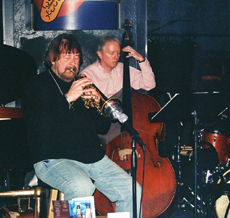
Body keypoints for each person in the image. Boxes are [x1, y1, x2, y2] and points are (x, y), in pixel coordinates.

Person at [21, 34, 142, 218]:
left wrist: (96, 105)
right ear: (53, 59)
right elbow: (39, 127)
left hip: (91, 158)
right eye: (67, 56)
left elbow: (102, 127)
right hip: (52, 158)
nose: (73, 62)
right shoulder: (37, 85)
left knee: (132, 190)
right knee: (82, 186)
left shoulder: (83, 87)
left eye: (77, 57)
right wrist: (68, 98)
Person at [80, 35, 156, 144]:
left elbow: (150, 84)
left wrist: (142, 60)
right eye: (111, 53)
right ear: (100, 54)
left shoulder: (123, 69)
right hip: (103, 131)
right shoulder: (88, 75)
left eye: (118, 53)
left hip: (124, 126)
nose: (116, 57)